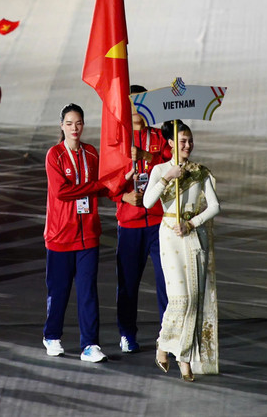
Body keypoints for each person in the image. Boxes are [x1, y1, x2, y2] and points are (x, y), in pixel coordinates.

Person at [42, 103, 126, 363]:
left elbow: (101, 187)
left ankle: (89, 344)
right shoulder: (54, 155)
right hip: (60, 235)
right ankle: (52, 335)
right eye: (69, 123)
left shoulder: (90, 153)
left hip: (88, 234)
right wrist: (98, 185)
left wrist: (120, 187)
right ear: (61, 126)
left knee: (88, 291)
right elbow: (61, 191)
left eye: (78, 123)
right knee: (59, 291)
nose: (74, 128)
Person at [144, 120, 220, 381]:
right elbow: (146, 202)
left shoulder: (200, 172)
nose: (187, 145)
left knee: (195, 299)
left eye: (190, 140)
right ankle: (164, 344)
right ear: (171, 143)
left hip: (192, 234)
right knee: (180, 298)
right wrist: (168, 177)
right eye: (182, 141)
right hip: (170, 235)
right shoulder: (160, 170)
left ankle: (184, 358)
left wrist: (191, 223)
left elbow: (214, 206)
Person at [112, 85, 171, 354]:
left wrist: (150, 156)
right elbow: (108, 182)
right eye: (133, 104)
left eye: (142, 103)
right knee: (128, 283)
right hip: (130, 224)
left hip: (160, 222)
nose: (138, 110)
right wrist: (123, 199)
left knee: (167, 282)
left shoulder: (161, 138)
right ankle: (127, 333)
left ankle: (169, 335)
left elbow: (175, 166)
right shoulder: (118, 141)